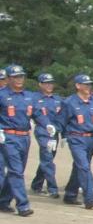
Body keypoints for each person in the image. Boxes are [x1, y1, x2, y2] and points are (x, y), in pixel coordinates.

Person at [0, 64, 37, 216]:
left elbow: (37, 114)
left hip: (24, 136)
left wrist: (47, 124)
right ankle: (23, 205)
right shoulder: (1, 95)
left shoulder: (29, 96)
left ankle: (3, 200)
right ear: (8, 79)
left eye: (21, 76)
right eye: (15, 77)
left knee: (17, 170)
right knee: (16, 170)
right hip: (8, 136)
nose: (19, 80)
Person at [61, 73, 93, 209]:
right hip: (76, 137)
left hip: (91, 138)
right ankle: (89, 197)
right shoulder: (69, 102)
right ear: (78, 86)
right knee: (84, 167)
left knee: (79, 167)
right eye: (85, 84)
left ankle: (70, 194)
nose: (88, 87)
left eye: (90, 84)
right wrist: (60, 135)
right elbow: (61, 121)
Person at [30, 72, 64, 199]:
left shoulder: (58, 99)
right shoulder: (34, 98)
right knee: (48, 159)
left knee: (47, 160)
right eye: (46, 83)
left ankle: (36, 184)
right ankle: (52, 188)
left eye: (51, 83)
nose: (49, 85)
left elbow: (63, 117)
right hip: (43, 132)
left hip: (55, 133)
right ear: (40, 84)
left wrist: (63, 134)